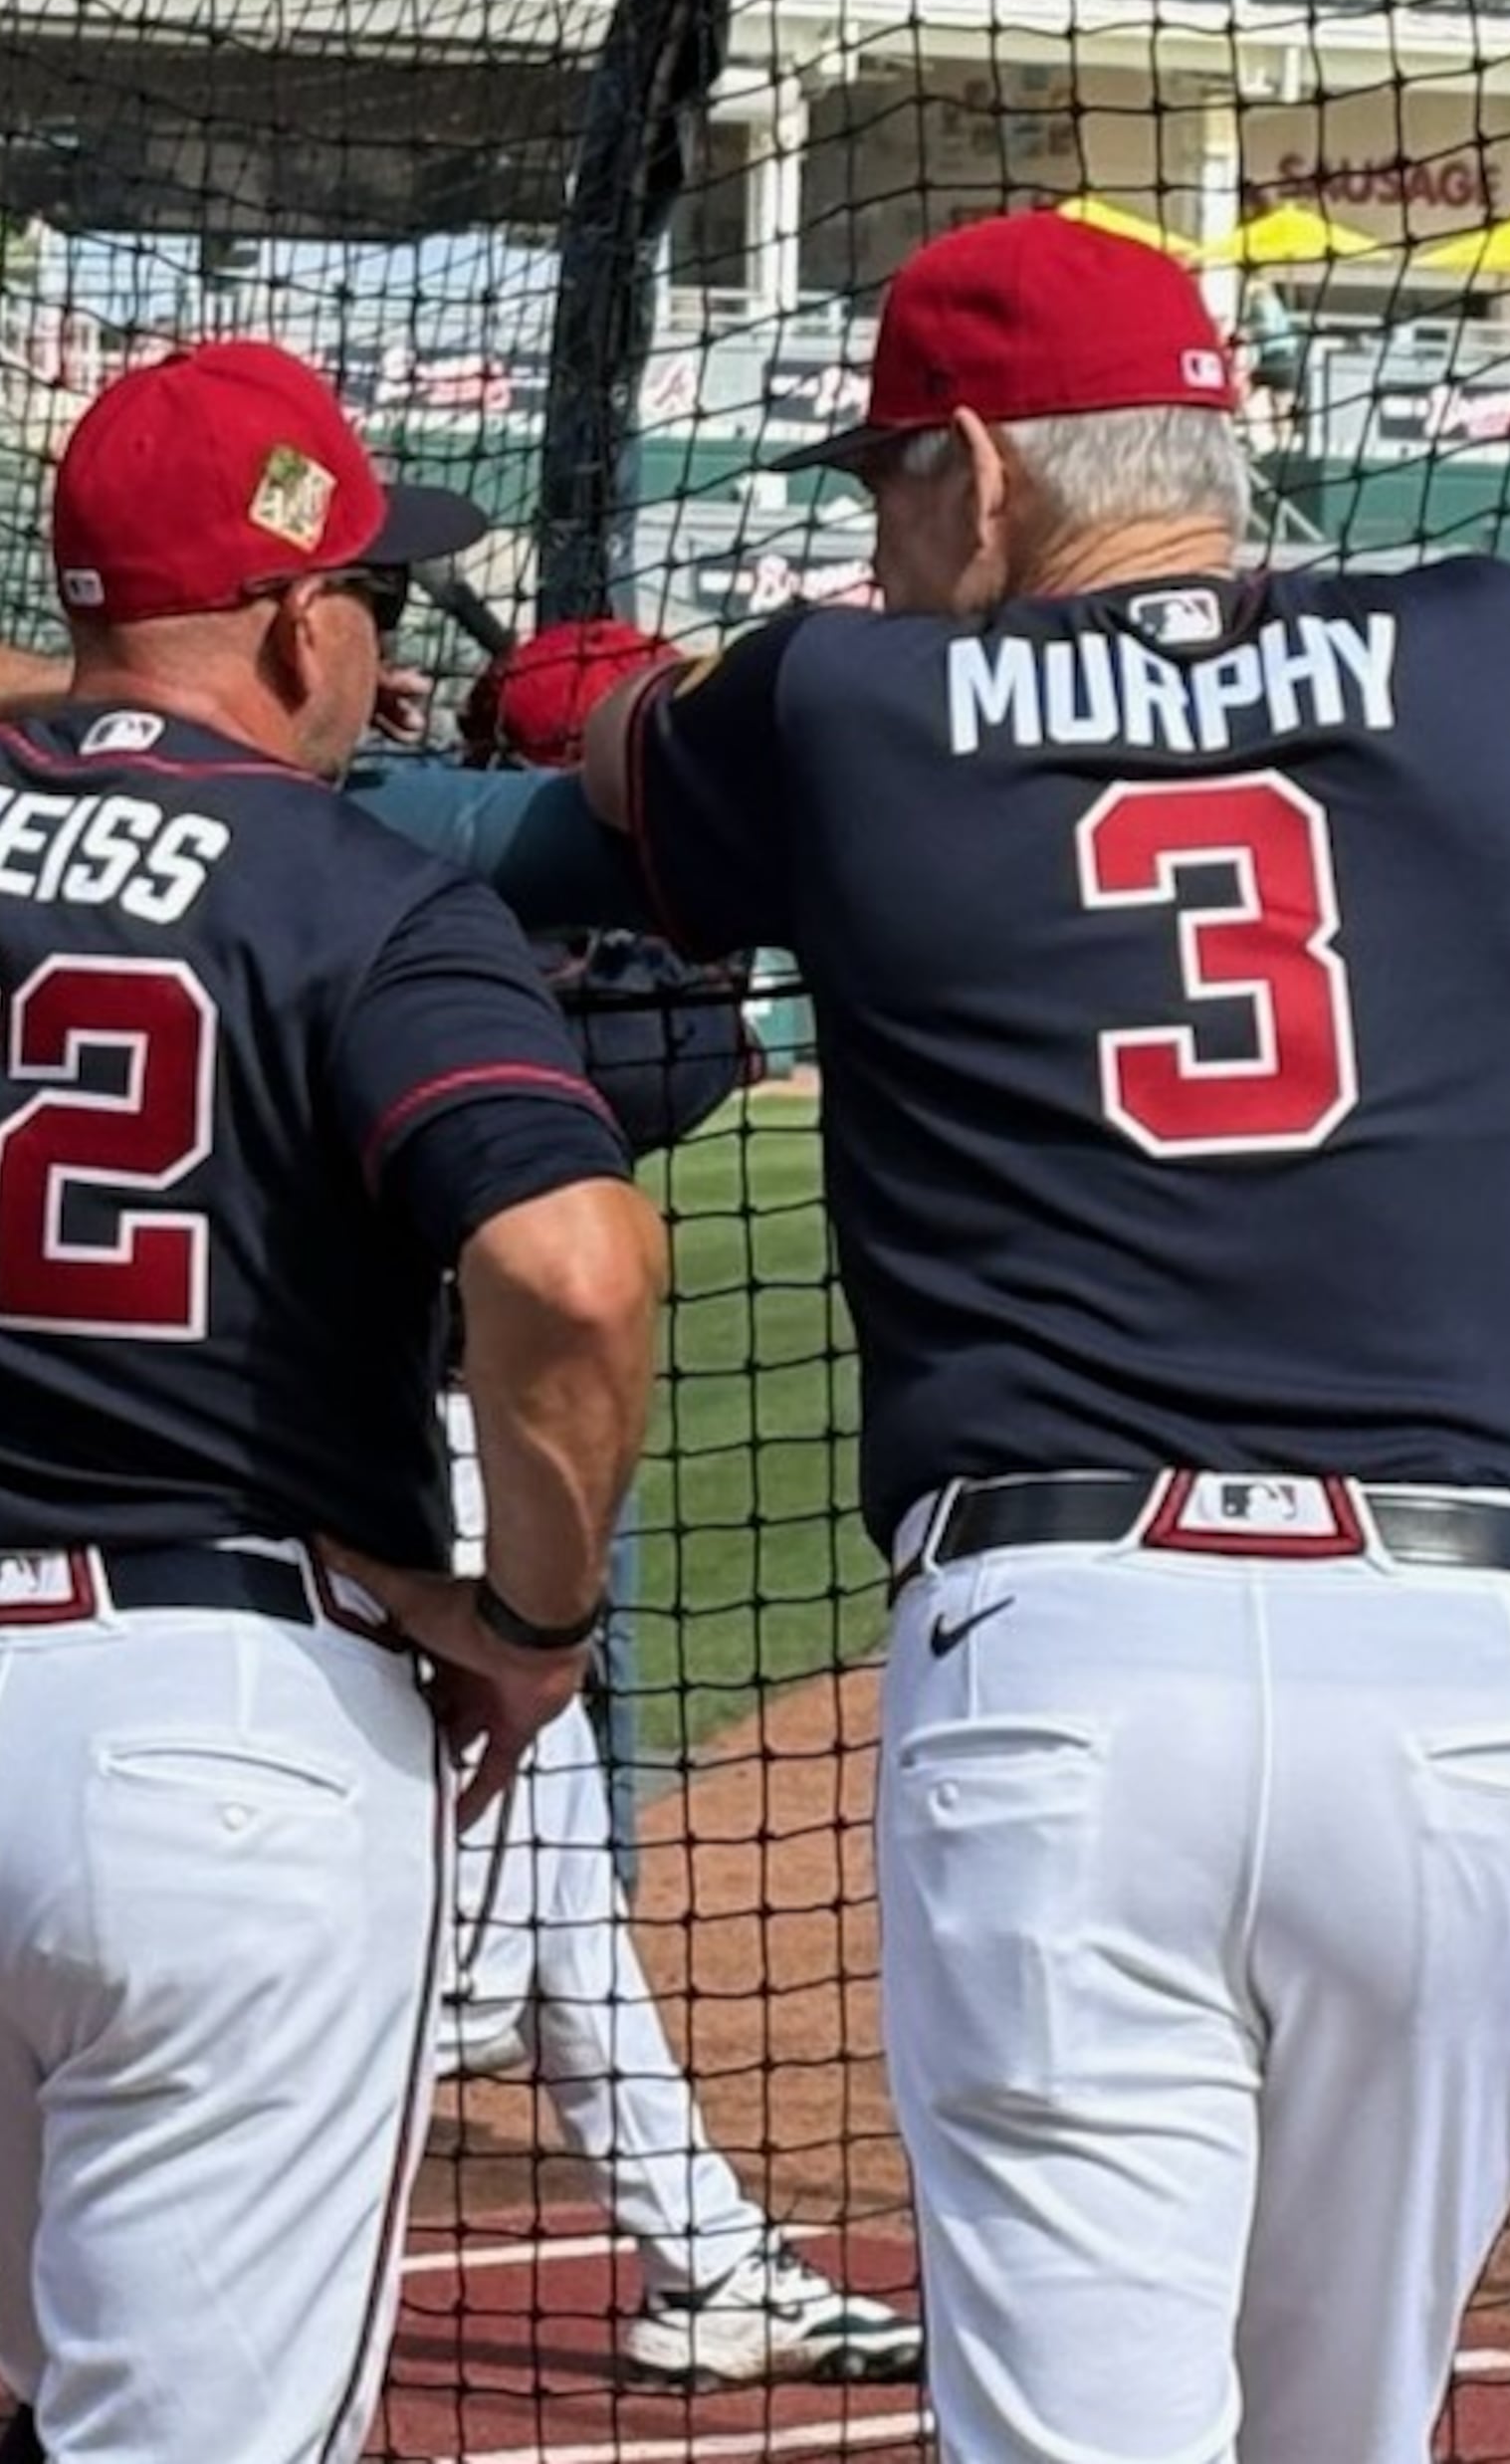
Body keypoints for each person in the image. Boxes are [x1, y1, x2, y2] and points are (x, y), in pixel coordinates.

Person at [575, 204, 1510, 2464]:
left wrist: (676, 673)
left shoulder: (833, 700)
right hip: (1479, 1687)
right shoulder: (1486, 644)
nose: (870, 540)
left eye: (884, 481)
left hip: (1076, 1662)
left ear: (978, 468)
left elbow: (619, 756)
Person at [0, 336, 671, 2464]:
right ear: (305, 619)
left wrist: (84, 705)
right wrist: (537, 1631)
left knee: (83, 2404)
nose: (384, 645)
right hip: (226, 1754)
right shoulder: (371, 896)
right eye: (373, 598)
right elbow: (573, 1272)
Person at [440, 617, 923, 2391]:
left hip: (453, 1448)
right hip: (423, 1471)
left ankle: (712, 2257)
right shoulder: (501, 973)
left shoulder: (447, 932)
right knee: (441, 1954)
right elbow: (693, 1050)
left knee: (555, 1903)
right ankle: (55, 2238)